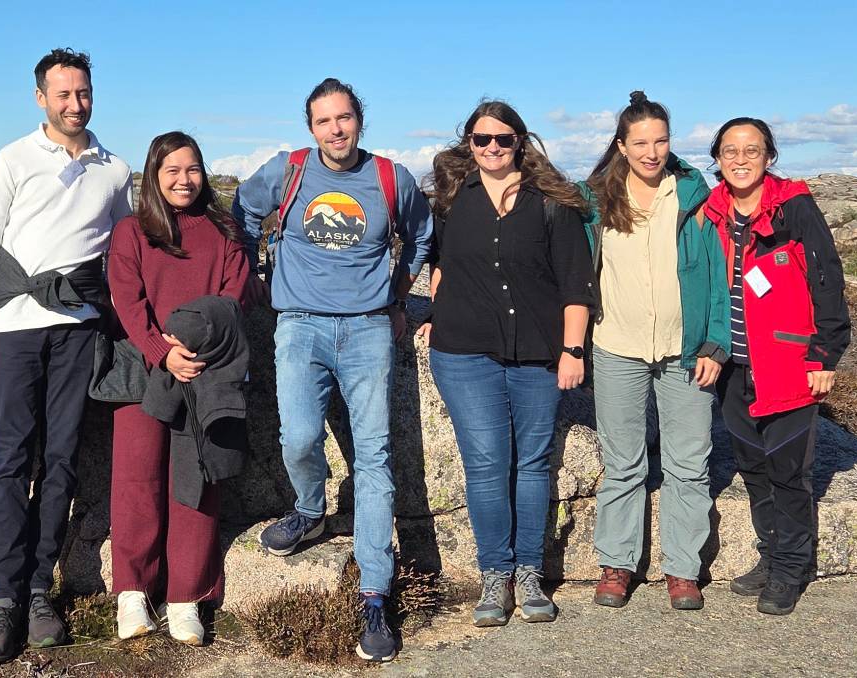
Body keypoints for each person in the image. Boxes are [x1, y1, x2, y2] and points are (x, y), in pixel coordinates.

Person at [232, 77, 432, 663]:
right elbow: (242, 211)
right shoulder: (289, 170)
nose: (335, 130)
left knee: (374, 457)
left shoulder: (392, 178)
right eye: (324, 121)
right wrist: (255, 277)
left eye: (344, 119)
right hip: (299, 324)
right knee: (297, 436)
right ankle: (310, 509)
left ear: (359, 121)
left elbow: (420, 237)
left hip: (369, 328)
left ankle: (375, 594)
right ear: (310, 128)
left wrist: (397, 294)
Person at [0, 48, 133, 663]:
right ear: (41, 98)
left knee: (59, 460)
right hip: (13, 330)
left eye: (82, 93)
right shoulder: (12, 160)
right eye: (62, 94)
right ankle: (1, 599)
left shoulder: (114, 170)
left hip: (78, 331)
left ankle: (39, 591)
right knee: (9, 459)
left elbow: (123, 256)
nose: (74, 104)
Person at [413, 100, 592, 627]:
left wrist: (573, 349)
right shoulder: (449, 201)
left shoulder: (552, 202)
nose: (492, 148)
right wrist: (434, 314)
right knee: (488, 465)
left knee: (532, 464)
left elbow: (575, 281)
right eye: (481, 139)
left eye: (503, 139)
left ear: (520, 142)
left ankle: (530, 573)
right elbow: (440, 264)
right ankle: (496, 575)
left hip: (539, 354)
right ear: (469, 144)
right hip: (464, 353)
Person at [576, 92, 729, 611]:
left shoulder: (692, 196)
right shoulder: (595, 198)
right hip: (616, 345)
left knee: (689, 464)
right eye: (640, 142)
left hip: (687, 352)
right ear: (621, 145)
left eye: (661, 140)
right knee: (624, 462)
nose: (651, 151)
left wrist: (715, 344)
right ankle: (617, 563)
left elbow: (717, 276)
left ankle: (682, 569)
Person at [104, 131, 251, 646]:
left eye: (192, 170)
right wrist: (160, 349)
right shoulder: (132, 232)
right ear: (154, 176)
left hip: (205, 374)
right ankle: (132, 593)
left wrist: (200, 348)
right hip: (146, 372)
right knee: (136, 482)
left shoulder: (224, 229)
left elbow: (235, 295)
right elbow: (126, 297)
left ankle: (187, 597)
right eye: (172, 171)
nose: (184, 180)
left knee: (196, 482)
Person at [700, 117, 850, 616]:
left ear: (769, 156)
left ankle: (791, 568)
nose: (740, 160)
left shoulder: (795, 208)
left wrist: (826, 354)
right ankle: (771, 558)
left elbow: (827, 278)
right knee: (753, 470)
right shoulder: (712, 211)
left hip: (788, 363)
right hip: (735, 368)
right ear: (717, 158)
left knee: (789, 472)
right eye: (730, 151)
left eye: (752, 150)